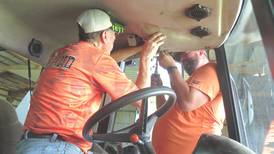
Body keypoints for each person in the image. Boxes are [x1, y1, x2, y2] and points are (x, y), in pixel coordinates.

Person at [16, 9, 166, 154]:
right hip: (59, 147)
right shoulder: (98, 60)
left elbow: (104, 59)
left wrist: (140, 48)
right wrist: (145, 58)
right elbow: (141, 101)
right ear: (105, 36)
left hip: (29, 143)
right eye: (114, 34)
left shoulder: (61, 52)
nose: (115, 38)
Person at [151, 49, 225, 154]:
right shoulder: (187, 87)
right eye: (180, 57)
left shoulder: (210, 70)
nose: (182, 59)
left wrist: (171, 67)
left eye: (185, 53)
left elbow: (187, 103)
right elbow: (165, 112)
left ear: (202, 51)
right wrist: (159, 89)